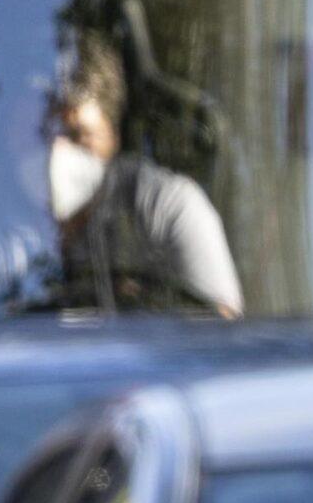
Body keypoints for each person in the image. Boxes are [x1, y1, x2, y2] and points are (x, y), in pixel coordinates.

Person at [49, 34, 244, 317]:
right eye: (42, 134)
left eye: (78, 136)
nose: (56, 152)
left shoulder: (168, 206)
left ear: (112, 137)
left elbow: (220, 339)